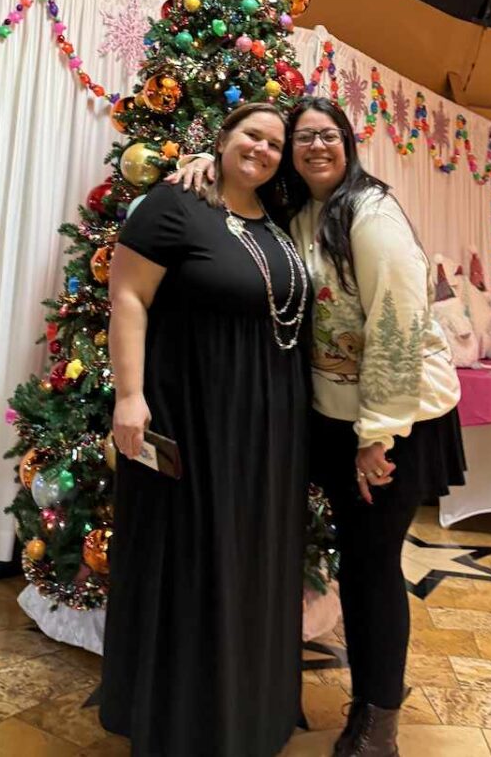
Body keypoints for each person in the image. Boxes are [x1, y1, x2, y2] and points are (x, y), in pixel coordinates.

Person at [174, 97, 465, 757]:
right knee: (357, 564)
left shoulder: (370, 215)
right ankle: (365, 703)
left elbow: (397, 322)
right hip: (334, 417)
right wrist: (205, 161)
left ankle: (379, 724)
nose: (313, 147)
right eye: (302, 138)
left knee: (371, 566)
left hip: (395, 421)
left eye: (325, 135)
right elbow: (243, 195)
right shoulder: (301, 209)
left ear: (348, 143)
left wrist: (377, 435)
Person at [101, 103, 312, 757]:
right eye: (251, 134)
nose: (263, 148)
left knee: (252, 561)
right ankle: (186, 723)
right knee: (196, 557)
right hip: (195, 412)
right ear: (221, 140)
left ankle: (248, 711)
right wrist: (130, 397)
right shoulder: (173, 206)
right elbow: (127, 295)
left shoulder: (277, 221)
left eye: (275, 142)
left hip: (269, 426)